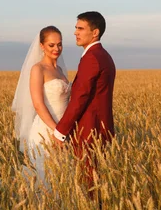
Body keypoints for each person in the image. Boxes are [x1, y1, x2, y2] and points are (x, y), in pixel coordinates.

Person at [52, 11, 116, 198]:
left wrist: (61, 131)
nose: (75, 33)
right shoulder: (104, 55)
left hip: (89, 131)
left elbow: (80, 98)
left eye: (80, 28)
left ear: (94, 33)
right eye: (75, 28)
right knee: (96, 183)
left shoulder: (92, 58)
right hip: (101, 128)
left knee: (89, 186)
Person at [12, 26, 70, 189]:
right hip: (45, 132)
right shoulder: (38, 69)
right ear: (42, 46)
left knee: (62, 178)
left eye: (59, 44)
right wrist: (57, 131)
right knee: (47, 181)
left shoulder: (59, 70)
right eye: (51, 45)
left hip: (63, 131)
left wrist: (65, 130)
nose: (56, 49)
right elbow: (38, 104)